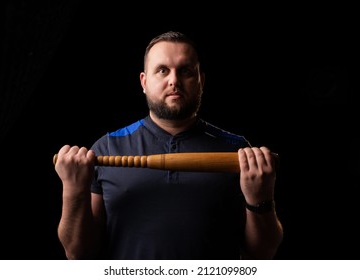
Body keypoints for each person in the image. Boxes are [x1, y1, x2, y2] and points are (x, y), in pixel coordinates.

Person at [54, 31, 284, 260]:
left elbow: (262, 254)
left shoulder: (237, 152)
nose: (174, 80)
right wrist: (73, 190)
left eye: (185, 71)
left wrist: (260, 198)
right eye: (162, 70)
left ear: (201, 81)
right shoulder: (107, 149)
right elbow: (78, 254)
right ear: (144, 82)